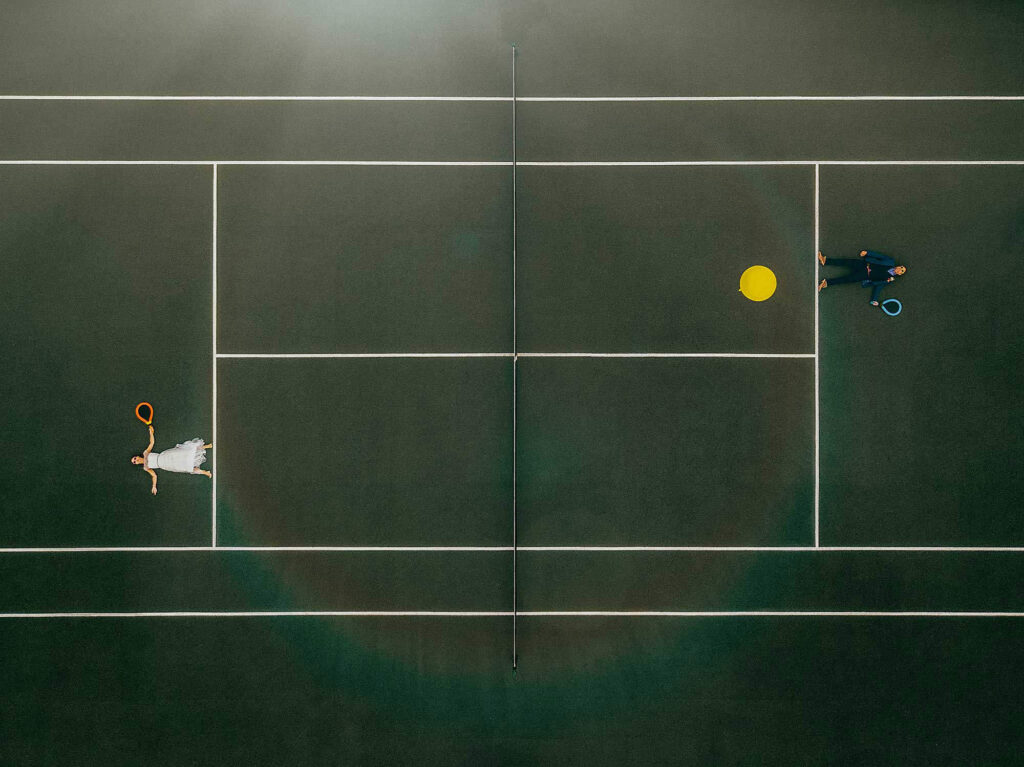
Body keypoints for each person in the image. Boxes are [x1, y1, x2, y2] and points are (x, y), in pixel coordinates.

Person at [131, 424, 212, 495]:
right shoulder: (146, 468)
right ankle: (205, 472)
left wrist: (151, 433)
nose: (136, 460)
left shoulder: (146, 453)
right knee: (186, 468)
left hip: (166, 456)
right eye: (134, 462)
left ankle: (206, 446)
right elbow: (154, 475)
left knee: (186, 451)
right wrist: (154, 486)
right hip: (166, 465)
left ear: (137, 456)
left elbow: (151, 443)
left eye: (135, 458)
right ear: (136, 464)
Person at [817, 250, 907, 305]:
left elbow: (878, 287)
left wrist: (874, 299)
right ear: (899, 266)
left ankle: (827, 283)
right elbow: (880, 256)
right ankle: (825, 261)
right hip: (864, 265)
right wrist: (868, 253)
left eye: (902, 271)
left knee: (846, 279)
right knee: (845, 262)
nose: (900, 269)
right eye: (901, 267)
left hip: (864, 275)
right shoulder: (890, 261)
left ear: (899, 274)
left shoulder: (889, 280)